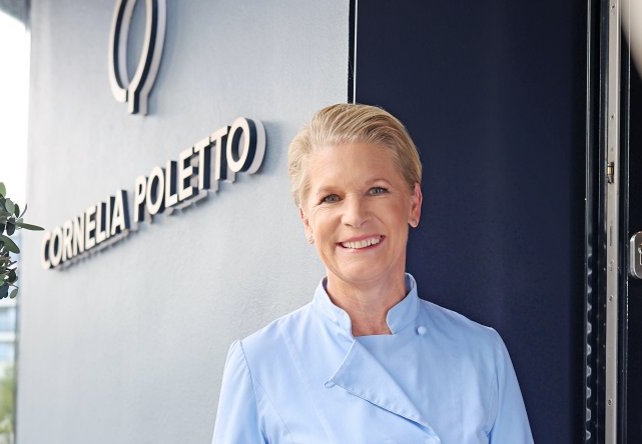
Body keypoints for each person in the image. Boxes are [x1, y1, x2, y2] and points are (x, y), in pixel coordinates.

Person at [212, 104, 534, 443]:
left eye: (377, 190)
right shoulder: (261, 363)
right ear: (306, 221)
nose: (355, 216)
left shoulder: (481, 353)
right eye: (331, 197)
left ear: (413, 204)